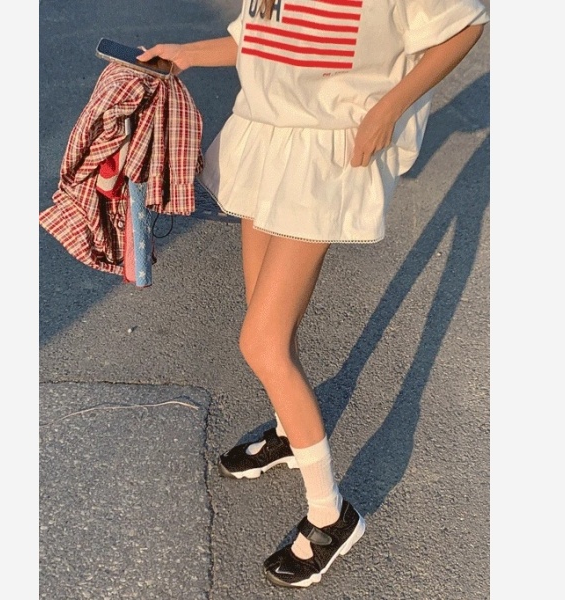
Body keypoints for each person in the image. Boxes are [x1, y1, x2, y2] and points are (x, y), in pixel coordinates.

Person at [138, 0, 489, 588]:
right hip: (265, 137)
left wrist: (389, 107)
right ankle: (287, 430)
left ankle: (331, 516)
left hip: (323, 154)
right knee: (265, 314)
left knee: (262, 342)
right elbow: (260, 40)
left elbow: (465, 24)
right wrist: (185, 55)